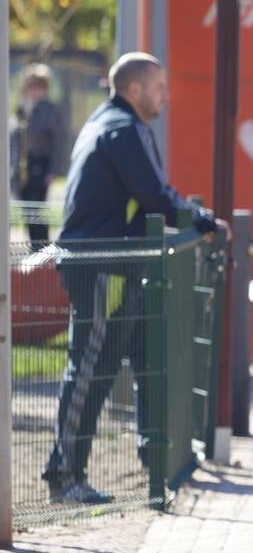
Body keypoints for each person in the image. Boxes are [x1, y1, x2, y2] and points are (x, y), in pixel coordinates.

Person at [43, 52, 221, 504]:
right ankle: (65, 476)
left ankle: (154, 458)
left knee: (145, 354)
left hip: (112, 264)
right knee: (91, 368)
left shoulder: (105, 122)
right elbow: (155, 195)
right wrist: (202, 220)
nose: (165, 97)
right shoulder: (126, 128)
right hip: (106, 267)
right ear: (135, 89)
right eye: (159, 88)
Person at [11, 64, 72, 243]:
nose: (34, 90)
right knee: (26, 211)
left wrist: (54, 170)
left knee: (37, 210)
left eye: (38, 86)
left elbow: (59, 142)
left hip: (41, 164)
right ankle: (33, 246)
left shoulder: (49, 110)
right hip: (23, 165)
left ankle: (41, 248)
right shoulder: (22, 108)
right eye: (31, 86)